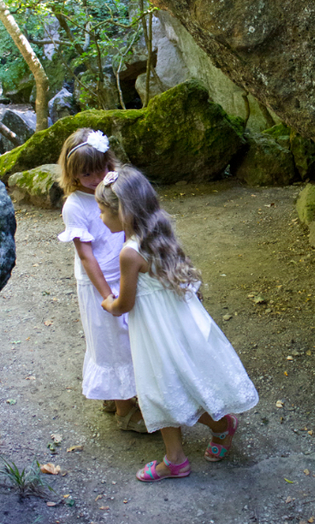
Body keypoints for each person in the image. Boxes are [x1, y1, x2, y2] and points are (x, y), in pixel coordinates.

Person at [97, 166, 259, 481]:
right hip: (176, 323)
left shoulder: (130, 253)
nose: (100, 217)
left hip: (157, 332)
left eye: (103, 210)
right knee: (165, 387)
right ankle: (179, 456)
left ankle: (217, 429)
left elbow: (125, 304)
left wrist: (108, 303)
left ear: (125, 213)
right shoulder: (158, 232)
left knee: (165, 387)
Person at [57, 129, 146, 433]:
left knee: (125, 338)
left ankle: (113, 395)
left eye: (102, 170)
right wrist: (107, 296)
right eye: (86, 174)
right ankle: (124, 411)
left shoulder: (113, 190)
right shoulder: (75, 206)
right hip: (99, 284)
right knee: (111, 343)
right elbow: (86, 256)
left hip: (124, 272)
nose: (96, 178)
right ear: (72, 174)